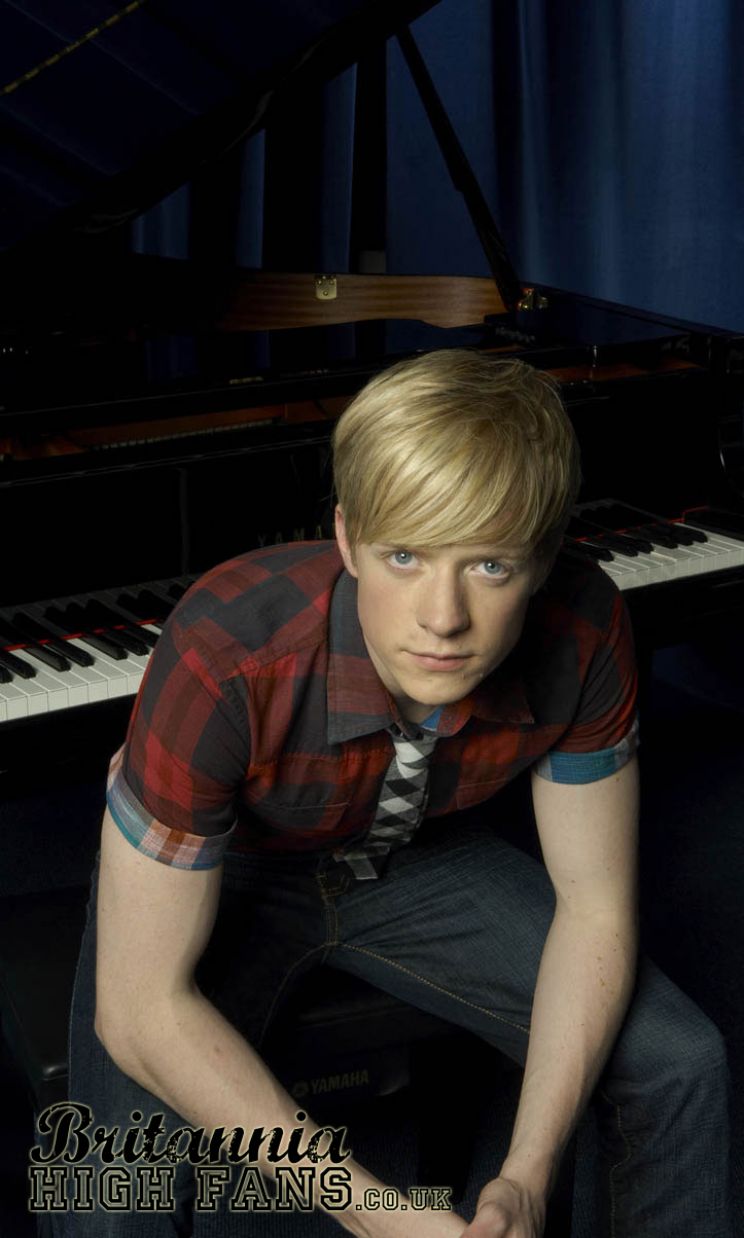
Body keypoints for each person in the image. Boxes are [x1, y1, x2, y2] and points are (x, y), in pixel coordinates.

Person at [60, 350, 731, 1237]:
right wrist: (376, 1213)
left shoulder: (585, 626)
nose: (442, 618)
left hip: (414, 858)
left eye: (490, 566)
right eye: (404, 556)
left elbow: (594, 910)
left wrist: (527, 1176)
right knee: (122, 1179)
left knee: (680, 1061)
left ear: (542, 558)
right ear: (346, 540)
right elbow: (141, 1011)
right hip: (238, 872)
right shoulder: (225, 655)